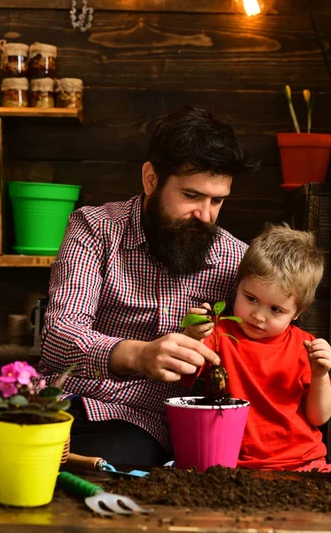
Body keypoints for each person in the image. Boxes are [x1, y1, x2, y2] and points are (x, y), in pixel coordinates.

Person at [38, 106, 257, 466]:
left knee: (113, 455)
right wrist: (139, 355)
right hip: (64, 405)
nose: (205, 216)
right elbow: (58, 339)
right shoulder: (95, 229)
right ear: (151, 179)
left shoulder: (236, 260)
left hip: (140, 426)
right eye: (191, 196)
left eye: (217, 201)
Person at [182, 223, 331, 472]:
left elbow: (319, 417)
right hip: (232, 464)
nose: (258, 316)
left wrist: (321, 374)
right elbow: (184, 374)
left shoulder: (305, 346)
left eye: (275, 310)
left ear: (297, 312)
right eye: (251, 299)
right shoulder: (218, 333)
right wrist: (191, 335)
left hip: (302, 462)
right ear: (238, 286)